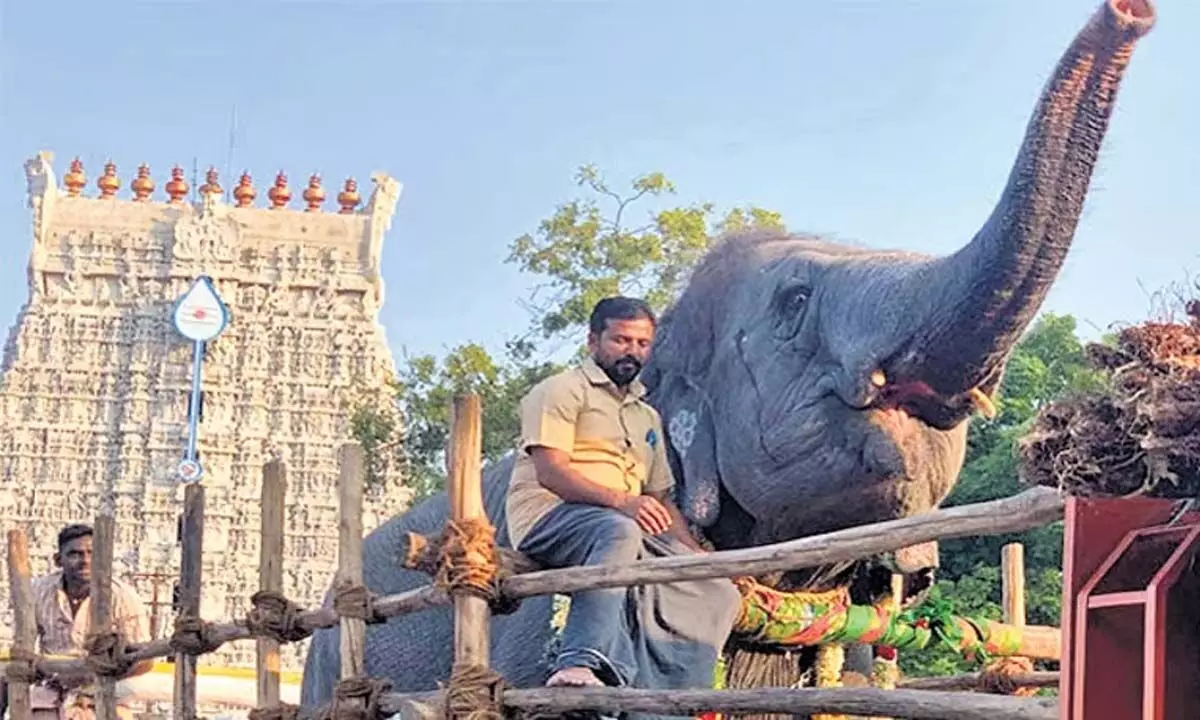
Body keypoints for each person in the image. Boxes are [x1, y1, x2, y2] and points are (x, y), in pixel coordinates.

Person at [505, 296, 741, 710]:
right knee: (618, 530)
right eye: (620, 339)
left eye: (642, 343)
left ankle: (669, 704)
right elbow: (551, 473)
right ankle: (579, 662)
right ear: (593, 341)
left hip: (624, 526)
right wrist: (622, 502)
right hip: (551, 517)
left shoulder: (646, 416)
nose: (632, 351)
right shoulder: (560, 390)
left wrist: (697, 557)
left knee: (717, 591)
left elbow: (660, 500)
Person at [0, 523, 154, 720]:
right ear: (58, 560)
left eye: (92, 553)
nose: (85, 561)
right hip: (52, 685)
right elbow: (24, 649)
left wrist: (92, 676)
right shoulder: (39, 591)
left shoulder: (123, 596)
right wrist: (48, 672)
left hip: (105, 687)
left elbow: (145, 660)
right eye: (75, 554)